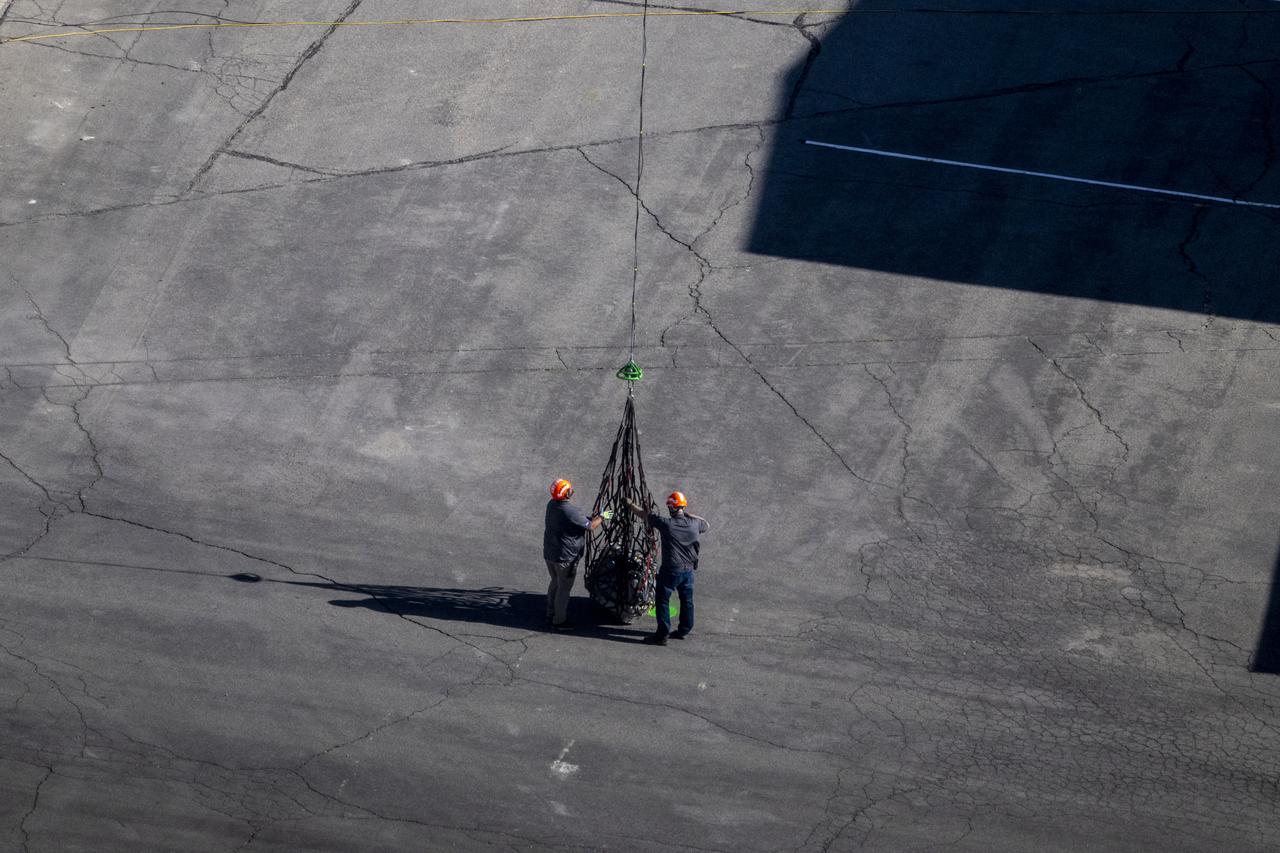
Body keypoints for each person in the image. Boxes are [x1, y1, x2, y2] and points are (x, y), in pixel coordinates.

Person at [627, 490, 710, 645]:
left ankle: (662, 635)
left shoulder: (667, 524)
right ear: (683, 507)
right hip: (688, 570)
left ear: (671, 508)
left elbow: (644, 515)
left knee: (662, 600)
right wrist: (689, 515)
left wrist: (630, 504)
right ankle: (684, 630)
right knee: (687, 600)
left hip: (671, 570)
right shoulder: (695, 524)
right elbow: (706, 524)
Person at [544, 478, 611, 630]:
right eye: (569, 489)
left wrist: (593, 517)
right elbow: (591, 526)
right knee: (564, 589)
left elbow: (576, 521)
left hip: (550, 554)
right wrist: (603, 516)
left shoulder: (552, 504)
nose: (571, 490)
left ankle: (550, 613)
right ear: (566, 493)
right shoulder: (569, 511)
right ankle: (559, 621)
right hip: (565, 558)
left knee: (555, 581)